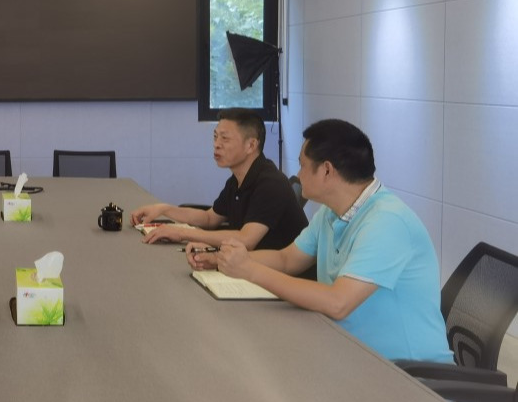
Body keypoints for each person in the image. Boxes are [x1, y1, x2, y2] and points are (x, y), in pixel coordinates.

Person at [189, 120, 453, 363]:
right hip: (348, 351)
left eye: (302, 165)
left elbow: (338, 303)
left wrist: (249, 270)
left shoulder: (387, 222)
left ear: (327, 170)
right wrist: (220, 259)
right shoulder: (331, 212)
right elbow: (286, 259)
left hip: (406, 373)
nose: (298, 174)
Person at [131, 108, 307, 250]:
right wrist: (163, 209)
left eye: (225, 139)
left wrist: (182, 233)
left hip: (280, 275)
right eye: (215, 137)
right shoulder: (237, 180)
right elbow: (209, 218)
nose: (216, 145)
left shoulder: (270, 183)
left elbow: (246, 240)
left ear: (251, 145)